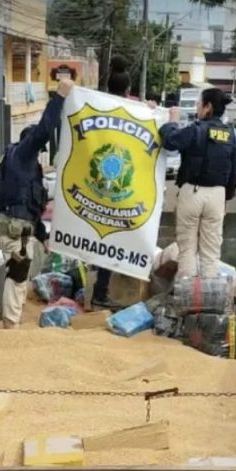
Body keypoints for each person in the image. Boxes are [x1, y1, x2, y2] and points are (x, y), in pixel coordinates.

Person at [0, 76, 74, 327]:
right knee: (18, 276)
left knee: (19, 274)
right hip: (14, 227)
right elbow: (43, 131)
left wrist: (43, 237)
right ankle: (11, 324)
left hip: (21, 227)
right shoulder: (22, 154)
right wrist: (59, 97)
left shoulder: (22, 165)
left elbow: (32, 208)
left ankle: (11, 321)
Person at [159, 88, 236, 278]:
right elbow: (235, 171)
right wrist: (225, 198)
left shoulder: (196, 130)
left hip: (193, 192)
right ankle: (208, 298)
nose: (196, 108)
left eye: (198, 104)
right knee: (211, 252)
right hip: (218, 195)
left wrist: (172, 121)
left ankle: (189, 298)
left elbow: (170, 141)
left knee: (187, 249)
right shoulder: (231, 135)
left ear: (208, 107)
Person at [90, 57, 136, 309]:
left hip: (98, 186)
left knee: (101, 239)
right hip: (124, 189)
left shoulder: (97, 105)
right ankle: (103, 292)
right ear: (128, 90)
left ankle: (98, 291)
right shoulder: (136, 111)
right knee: (116, 241)